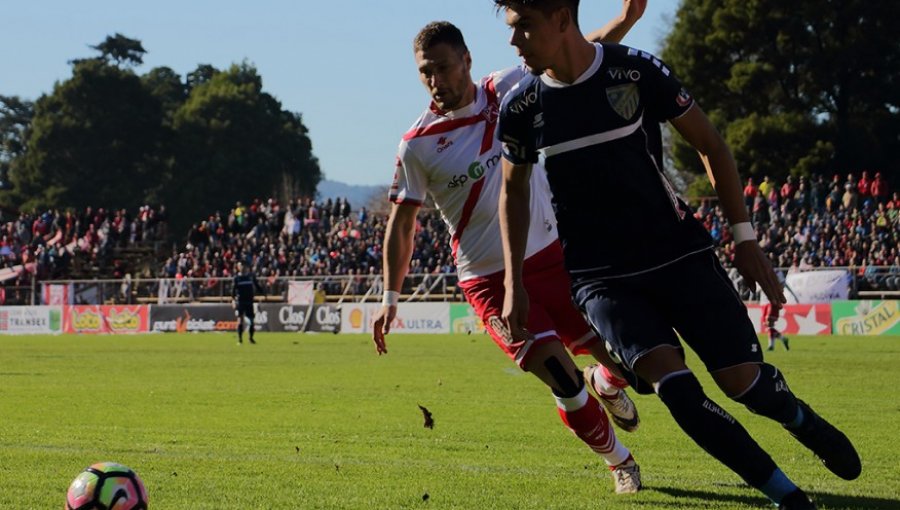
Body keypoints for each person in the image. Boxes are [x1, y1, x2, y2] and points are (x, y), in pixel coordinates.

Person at [491, 1, 861, 509]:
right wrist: (514, 284)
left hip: (678, 256)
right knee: (677, 390)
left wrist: (744, 237)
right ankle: (787, 496)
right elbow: (510, 194)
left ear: (560, 18)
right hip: (603, 278)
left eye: (523, 28)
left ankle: (799, 418)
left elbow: (711, 144)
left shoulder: (636, 70)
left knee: (744, 386)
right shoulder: (521, 107)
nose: (514, 43)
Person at [373, 1, 647, 495]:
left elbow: (580, 53)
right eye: (424, 72)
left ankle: (606, 382)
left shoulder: (510, 88)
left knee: (631, 362)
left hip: (555, 257)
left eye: (443, 67)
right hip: (488, 279)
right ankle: (619, 462)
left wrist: (627, 18)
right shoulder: (416, 144)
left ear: (467, 60)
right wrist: (390, 299)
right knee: (562, 379)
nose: (435, 80)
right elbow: (403, 222)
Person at [232, 261, 263, 344]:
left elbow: (257, 286)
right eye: (241, 266)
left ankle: (251, 338)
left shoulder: (251, 277)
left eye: (244, 266)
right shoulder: (236, 278)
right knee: (240, 320)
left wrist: (263, 294)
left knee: (252, 321)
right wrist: (233, 300)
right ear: (238, 268)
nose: (243, 268)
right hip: (240, 301)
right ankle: (240, 339)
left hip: (249, 301)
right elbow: (233, 291)